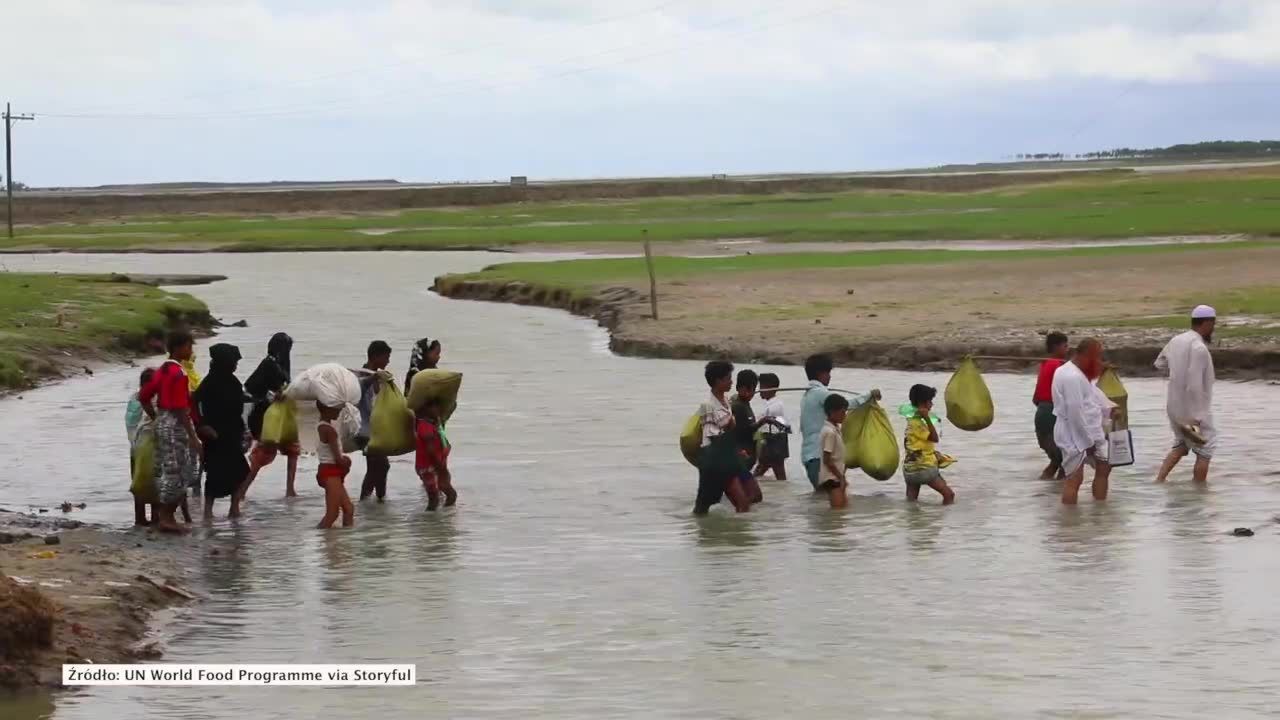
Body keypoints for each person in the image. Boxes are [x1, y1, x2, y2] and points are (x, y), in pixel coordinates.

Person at [137, 331, 200, 533]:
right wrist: (193, 437)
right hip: (175, 424)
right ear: (179, 348)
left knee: (166, 469)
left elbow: (143, 396)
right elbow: (181, 409)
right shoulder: (179, 374)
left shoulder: (162, 370)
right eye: (189, 347)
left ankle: (165, 516)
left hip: (163, 421)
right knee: (178, 471)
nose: (191, 351)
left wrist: (156, 417)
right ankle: (167, 517)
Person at [1155, 305, 1218, 484]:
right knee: (1207, 447)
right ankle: (1199, 491)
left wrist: (1176, 373)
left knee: (1182, 444)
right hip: (1193, 411)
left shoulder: (1176, 340)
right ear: (1206, 323)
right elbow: (1194, 384)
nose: (1213, 328)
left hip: (1174, 408)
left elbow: (1159, 363)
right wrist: (1197, 416)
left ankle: (1159, 480)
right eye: (1213, 324)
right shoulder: (1199, 348)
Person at [799, 354, 880, 490]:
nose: (830, 377)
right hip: (818, 456)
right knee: (829, 499)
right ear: (821, 374)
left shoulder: (808, 394)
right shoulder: (820, 393)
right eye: (828, 373)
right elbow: (845, 404)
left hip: (809, 456)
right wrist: (869, 395)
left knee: (823, 500)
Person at [1052, 338, 1117, 505]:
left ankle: (1100, 511)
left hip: (1091, 430)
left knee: (1105, 467)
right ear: (1087, 355)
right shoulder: (1071, 376)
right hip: (1073, 433)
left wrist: (1108, 408)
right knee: (1074, 478)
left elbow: (1092, 394)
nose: (1099, 362)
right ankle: (1070, 524)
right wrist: (1086, 441)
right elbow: (1074, 411)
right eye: (1097, 357)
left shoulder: (1079, 373)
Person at [193, 344, 250, 521]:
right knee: (215, 474)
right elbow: (194, 404)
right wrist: (201, 426)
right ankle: (207, 512)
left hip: (232, 434)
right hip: (215, 436)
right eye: (234, 362)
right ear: (224, 363)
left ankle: (234, 508)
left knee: (240, 472)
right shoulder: (209, 383)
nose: (236, 365)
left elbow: (240, 405)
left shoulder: (233, 382)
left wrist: (246, 432)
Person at [241, 332, 299, 499]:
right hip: (264, 417)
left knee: (291, 449)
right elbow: (253, 389)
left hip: (276, 416)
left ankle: (290, 489)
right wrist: (272, 395)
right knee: (264, 453)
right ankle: (242, 490)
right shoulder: (270, 365)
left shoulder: (274, 363)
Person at [694, 361, 750, 515]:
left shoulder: (726, 401)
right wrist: (730, 426)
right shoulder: (707, 405)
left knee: (749, 498)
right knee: (703, 508)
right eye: (728, 378)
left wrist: (737, 450)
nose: (731, 381)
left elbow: (728, 431)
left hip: (727, 456)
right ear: (718, 381)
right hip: (715, 459)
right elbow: (713, 435)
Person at [902, 384, 957, 504]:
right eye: (930, 401)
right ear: (923, 403)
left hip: (909, 470)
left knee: (911, 503)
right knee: (949, 495)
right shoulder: (919, 423)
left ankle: (912, 522)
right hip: (924, 469)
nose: (932, 404)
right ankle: (943, 522)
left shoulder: (910, 421)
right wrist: (927, 419)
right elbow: (934, 438)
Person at [356, 340, 393, 502]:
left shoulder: (379, 377)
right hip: (363, 430)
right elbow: (358, 389)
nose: (388, 361)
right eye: (386, 357)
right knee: (381, 465)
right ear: (376, 357)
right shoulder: (363, 374)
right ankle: (366, 500)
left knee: (377, 466)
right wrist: (373, 378)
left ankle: (378, 500)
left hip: (376, 430)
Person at [1034, 332, 1070, 480]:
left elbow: (1036, 398)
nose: (1068, 349)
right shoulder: (1059, 366)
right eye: (1065, 346)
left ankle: (1047, 492)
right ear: (1056, 347)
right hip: (1052, 414)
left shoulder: (1045, 364)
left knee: (1056, 461)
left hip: (1041, 413)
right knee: (1066, 463)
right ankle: (1063, 496)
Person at [315, 401, 354, 529]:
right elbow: (338, 460)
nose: (339, 410)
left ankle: (343, 542)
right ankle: (323, 542)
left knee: (348, 509)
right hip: (330, 472)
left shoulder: (321, 426)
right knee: (332, 514)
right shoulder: (329, 430)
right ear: (327, 409)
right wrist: (347, 461)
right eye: (336, 408)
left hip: (327, 471)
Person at [126, 368, 156, 526]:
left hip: (134, 449)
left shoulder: (133, 399)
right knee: (153, 482)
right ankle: (156, 517)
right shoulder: (147, 400)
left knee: (139, 484)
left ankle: (140, 518)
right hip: (148, 448)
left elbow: (131, 425)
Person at [730, 369, 765, 505]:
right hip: (740, 459)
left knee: (753, 497)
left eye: (753, 389)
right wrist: (762, 422)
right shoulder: (737, 407)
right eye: (748, 389)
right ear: (740, 388)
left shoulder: (745, 405)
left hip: (746, 460)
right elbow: (742, 431)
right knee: (754, 496)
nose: (751, 393)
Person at [415, 398, 456, 511]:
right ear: (424, 410)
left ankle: (439, 524)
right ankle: (431, 525)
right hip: (430, 467)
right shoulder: (425, 427)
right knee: (437, 499)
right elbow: (431, 451)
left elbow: (452, 406)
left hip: (436, 465)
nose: (437, 410)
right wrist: (441, 469)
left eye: (438, 407)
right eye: (433, 407)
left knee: (445, 496)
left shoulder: (435, 423)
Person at [753, 372, 790, 482]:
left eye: (761, 387)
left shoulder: (775, 406)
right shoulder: (771, 404)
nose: (759, 389)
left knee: (778, 474)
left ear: (770, 388)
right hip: (772, 442)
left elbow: (771, 429)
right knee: (761, 471)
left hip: (774, 442)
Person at [818, 394, 850, 509]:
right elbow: (827, 459)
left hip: (836, 477)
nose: (845, 415)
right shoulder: (830, 432)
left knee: (841, 512)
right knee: (838, 513)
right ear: (832, 412)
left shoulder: (834, 429)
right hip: (832, 479)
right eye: (842, 412)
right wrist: (840, 477)